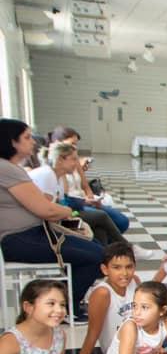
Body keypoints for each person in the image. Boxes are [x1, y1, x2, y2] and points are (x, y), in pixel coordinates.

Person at [0, 118, 103, 322]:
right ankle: (66, 307)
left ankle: (64, 299)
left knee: (94, 247)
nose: (33, 142)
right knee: (96, 255)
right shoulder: (7, 169)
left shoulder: (10, 168)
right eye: (27, 137)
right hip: (19, 238)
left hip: (30, 233)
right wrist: (66, 211)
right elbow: (44, 208)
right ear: (12, 142)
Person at [29, 141, 131, 249]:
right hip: (43, 225)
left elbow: (60, 203)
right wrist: (70, 213)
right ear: (60, 159)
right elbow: (47, 210)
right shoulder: (47, 175)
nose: (76, 163)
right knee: (100, 216)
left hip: (58, 217)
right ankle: (126, 248)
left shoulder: (56, 176)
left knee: (98, 227)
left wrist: (74, 209)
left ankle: (104, 255)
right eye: (73, 159)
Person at [68, 243, 137, 354]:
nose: (124, 273)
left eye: (128, 267)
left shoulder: (135, 281)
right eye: (116, 267)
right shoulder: (102, 293)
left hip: (140, 347)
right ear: (105, 269)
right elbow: (93, 333)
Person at [48, 125, 132, 237]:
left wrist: (91, 197)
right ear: (59, 144)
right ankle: (121, 247)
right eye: (72, 143)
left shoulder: (74, 160)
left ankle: (115, 245)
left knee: (122, 221)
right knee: (101, 224)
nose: (75, 148)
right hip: (75, 205)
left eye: (76, 144)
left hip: (85, 200)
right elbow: (65, 197)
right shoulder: (54, 169)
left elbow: (85, 185)